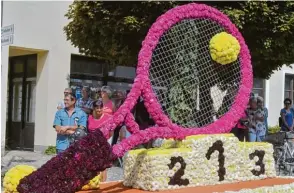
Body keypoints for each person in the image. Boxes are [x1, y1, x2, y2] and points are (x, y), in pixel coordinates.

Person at [87, 100, 112, 182]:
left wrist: (105, 141)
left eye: (101, 107)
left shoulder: (108, 118)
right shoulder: (90, 118)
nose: (99, 110)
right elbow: (88, 130)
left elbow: (111, 132)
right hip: (92, 144)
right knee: (94, 164)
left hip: (103, 143)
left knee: (103, 165)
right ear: (93, 108)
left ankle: (103, 184)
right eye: (97, 108)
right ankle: (95, 182)